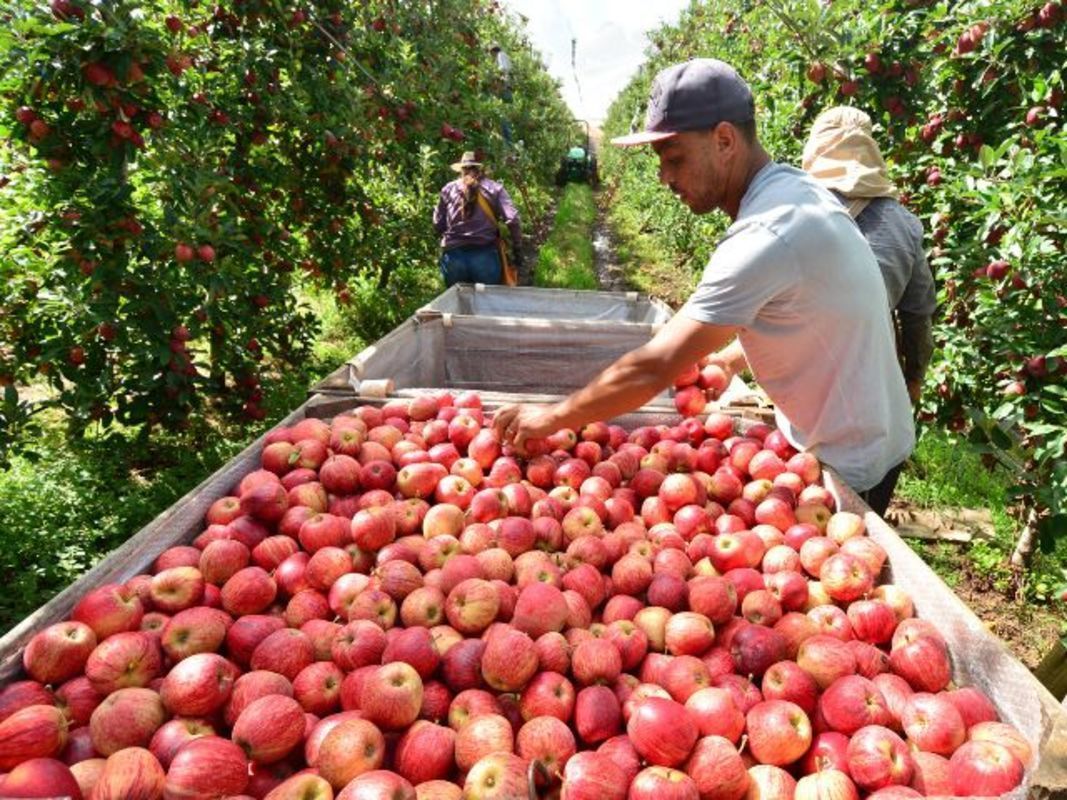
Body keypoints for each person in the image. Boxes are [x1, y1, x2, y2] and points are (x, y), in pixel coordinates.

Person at [493, 58, 915, 515]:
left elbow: (652, 368)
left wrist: (552, 417)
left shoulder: (766, 233)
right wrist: (734, 357)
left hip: (849, 465)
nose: (665, 178)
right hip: (863, 435)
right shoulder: (797, 190)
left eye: (674, 159)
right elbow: (812, 309)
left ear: (724, 140)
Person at [802, 106, 937, 404]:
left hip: (799, 377)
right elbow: (917, 315)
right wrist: (913, 378)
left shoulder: (792, 212)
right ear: (870, 149)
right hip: (870, 383)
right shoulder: (905, 224)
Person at [433, 151, 523, 287]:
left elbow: (437, 223)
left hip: (453, 258)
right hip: (484, 255)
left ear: (461, 169)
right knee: (487, 304)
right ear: (480, 168)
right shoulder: (494, 189)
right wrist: (517, 247)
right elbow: (513, 219)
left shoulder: (448, 189)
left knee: (457, 305)